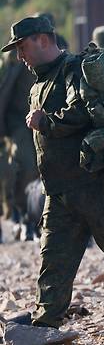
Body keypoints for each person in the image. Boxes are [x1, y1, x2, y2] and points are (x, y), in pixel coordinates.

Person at [2, 15, 104, 330]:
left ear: (43, 40)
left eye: (22, 47)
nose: (19, 56)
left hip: (95, 183)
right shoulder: (39, 82)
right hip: (60, 190)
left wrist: (47, 121)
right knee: (54, 258)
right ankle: (46, 317)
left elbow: (84, 110)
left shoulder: (76, 70)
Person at [0, 48, 39, 241]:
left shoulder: (52, 54)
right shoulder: (13, 62)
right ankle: (24, 217)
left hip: (45, 120)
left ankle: (38, 219)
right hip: (18, 122)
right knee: (27, 167)